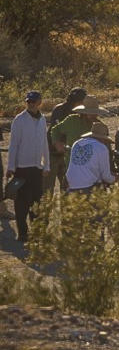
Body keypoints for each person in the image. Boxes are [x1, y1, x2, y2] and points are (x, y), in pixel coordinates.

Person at [5, 91, 50, 243]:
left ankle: (37, 232)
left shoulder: (42, 119)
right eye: (29, 102)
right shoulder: (19, 120)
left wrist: (47, 165)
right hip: (22, 167)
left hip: (37, 167)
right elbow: (13, 145)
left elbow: (44, 143)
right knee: (22, 202)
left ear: (39, 103)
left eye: (33, 102)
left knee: (37, 201)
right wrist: (10, 166)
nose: (30, 104)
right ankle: (23, 233)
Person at [45, 87, 87, 193]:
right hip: (53, 153)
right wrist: (58, 145)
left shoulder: (81, 113)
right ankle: (45, 208)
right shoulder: (60, 110)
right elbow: (55, 131)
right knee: (47, 188)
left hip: (67, 155)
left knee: (67, 188)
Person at [49, 95, 109, 169]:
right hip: (71, 166)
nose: (93, 115)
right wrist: (57, 143)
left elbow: (106, 150)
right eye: (90, 113)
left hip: (91, 169)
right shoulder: (72, 120)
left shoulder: (100, 127)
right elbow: (55, 130)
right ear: (84, 112)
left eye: (95, 112)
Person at [66, 122, 116, 194]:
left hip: (71, 185)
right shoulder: (101, 148)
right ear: (104, 139)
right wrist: (116, 178)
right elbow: (106, 176)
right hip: (88, 187)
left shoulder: (77, 143)